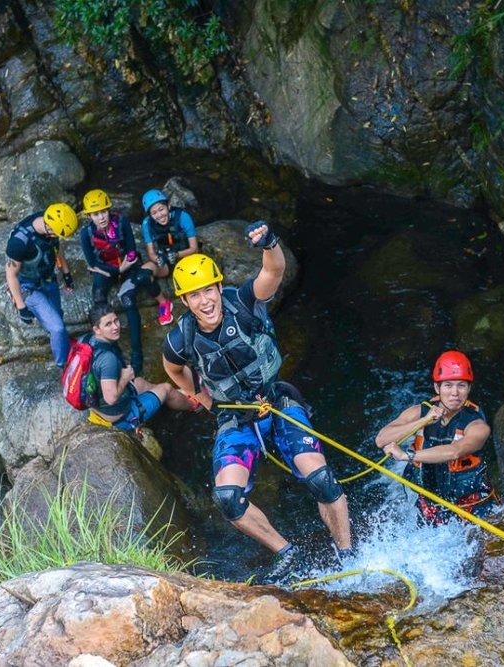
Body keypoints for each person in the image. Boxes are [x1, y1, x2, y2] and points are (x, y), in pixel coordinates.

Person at [161, 224, 352, 585]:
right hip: (235, 417)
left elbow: (273, 271)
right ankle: (287, 552)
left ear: (218, 286)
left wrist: (269, 243)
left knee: (322, 480)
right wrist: (199, 396)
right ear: (184, 302)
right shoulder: (180, 339)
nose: (205, 300)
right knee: (228, 498)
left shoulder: (243, 302)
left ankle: (347, 553)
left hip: (277, 402)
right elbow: (172, 368)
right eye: (194, 295)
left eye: (208, 289)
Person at [375, 351, 495, 525]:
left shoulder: (477, 425)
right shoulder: (419, 412)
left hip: (472, 506)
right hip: (430, 507)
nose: (455, 393)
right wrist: (423, 421)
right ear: (437, 388)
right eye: (448, 385)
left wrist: (406, 456)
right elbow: (381, 439)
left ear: (469, 389)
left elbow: (455, 451)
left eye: (461, 386)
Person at [79, 189, 175, 371]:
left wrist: (125, 265)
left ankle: (136, 354)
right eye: (96, 214)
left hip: (128, 265)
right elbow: (92, 263)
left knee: (128, 299)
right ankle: (108, 346)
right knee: (99, 300)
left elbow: (131, 249)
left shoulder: (121, 222)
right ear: (90, 216)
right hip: (106, 269)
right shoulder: (87, 233)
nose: (101, 218)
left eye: (103, 212)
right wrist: (116, 270)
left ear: (109, 210)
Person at [85, 303, 194, 430]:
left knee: (139, 382)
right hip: (118, 417)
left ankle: (176, 395)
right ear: (97, 329)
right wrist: (125, 378)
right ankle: (193, 404)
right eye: (108, 324)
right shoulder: (108, 359)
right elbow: (111, 398)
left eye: (116, 321)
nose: (115, 327)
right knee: (167, 388)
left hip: (98, 406)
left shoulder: (88, 342)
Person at [5, 203, 79, 368]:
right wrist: (21, 305)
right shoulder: (19, 242)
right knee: (58, 328)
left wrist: (66, 274)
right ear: (49, 227)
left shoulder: (52, 220)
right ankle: (64, 365)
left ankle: (61, 345)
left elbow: (57, 249)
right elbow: (11, 274)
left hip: (47, 277)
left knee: (58, 316)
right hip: (27, 286)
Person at [140, 188, 200, 282]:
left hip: (186, 258)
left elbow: (194, 249)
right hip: (166, 263)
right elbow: (151, 253)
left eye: (161, 209)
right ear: (150, 215)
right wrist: (158, 259)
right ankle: (161, 297)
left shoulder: (183, 217)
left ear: (168, 206)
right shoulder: (147, 223)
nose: (159, 215)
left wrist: (176, 255)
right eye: (154, 213)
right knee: (143, 274)